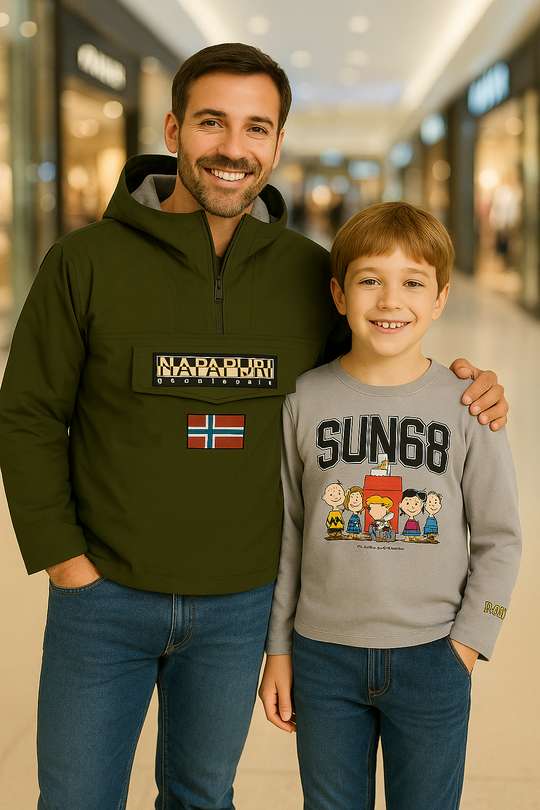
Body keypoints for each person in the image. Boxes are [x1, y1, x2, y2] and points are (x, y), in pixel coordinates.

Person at [0, 43, 508, 810]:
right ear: (173, 130)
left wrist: (467, 380)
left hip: (240, 605)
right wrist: (67, 563)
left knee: (203, 794)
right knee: (73, 797)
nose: (233, 148)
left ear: (277, 143)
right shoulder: (84, 263)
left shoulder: (306, 274)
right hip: (101, 599)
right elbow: (29, 413)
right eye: (212, 123)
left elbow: (379, 363)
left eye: (256, 128)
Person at [259, 201, 521, 810]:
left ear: (441, 298)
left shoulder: (468, 405)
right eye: (369, 280)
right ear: (338, 293)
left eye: (413, 282)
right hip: (323, 657)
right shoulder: (304, 400)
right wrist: (279, 647)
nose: (389, 300)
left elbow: (499, 537)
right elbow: (290, 533)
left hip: (434, 655)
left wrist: (470, 642)